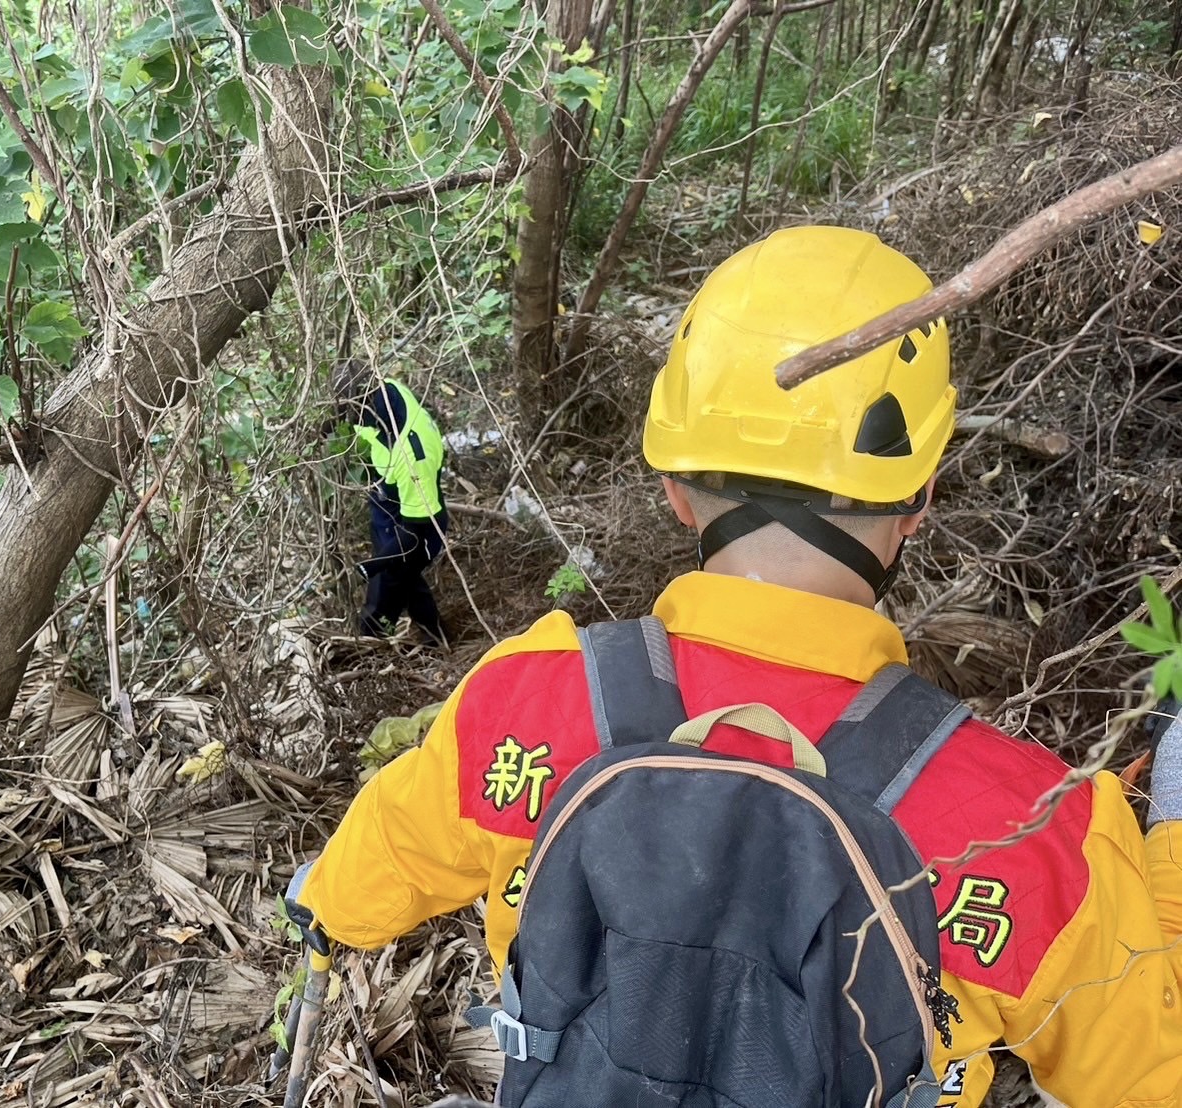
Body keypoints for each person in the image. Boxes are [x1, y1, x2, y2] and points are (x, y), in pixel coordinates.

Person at [294, 228, 1182, 1106]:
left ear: (674, 489)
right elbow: (1151, 1074)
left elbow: (367, 877)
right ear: (918, 501)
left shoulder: (526, 699)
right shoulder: (1031, 827)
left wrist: (324, 910)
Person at [336, 361, 450, 646]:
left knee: (392, 575)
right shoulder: (385, 392)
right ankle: (435, 635)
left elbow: (414, 533)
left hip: (418, 525)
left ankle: (370, 641)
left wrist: (374, 564)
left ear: (366, 403)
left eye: (352, 412)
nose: (351, 421)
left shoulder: (412, 456)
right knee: (403, 578)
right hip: (388, 497)